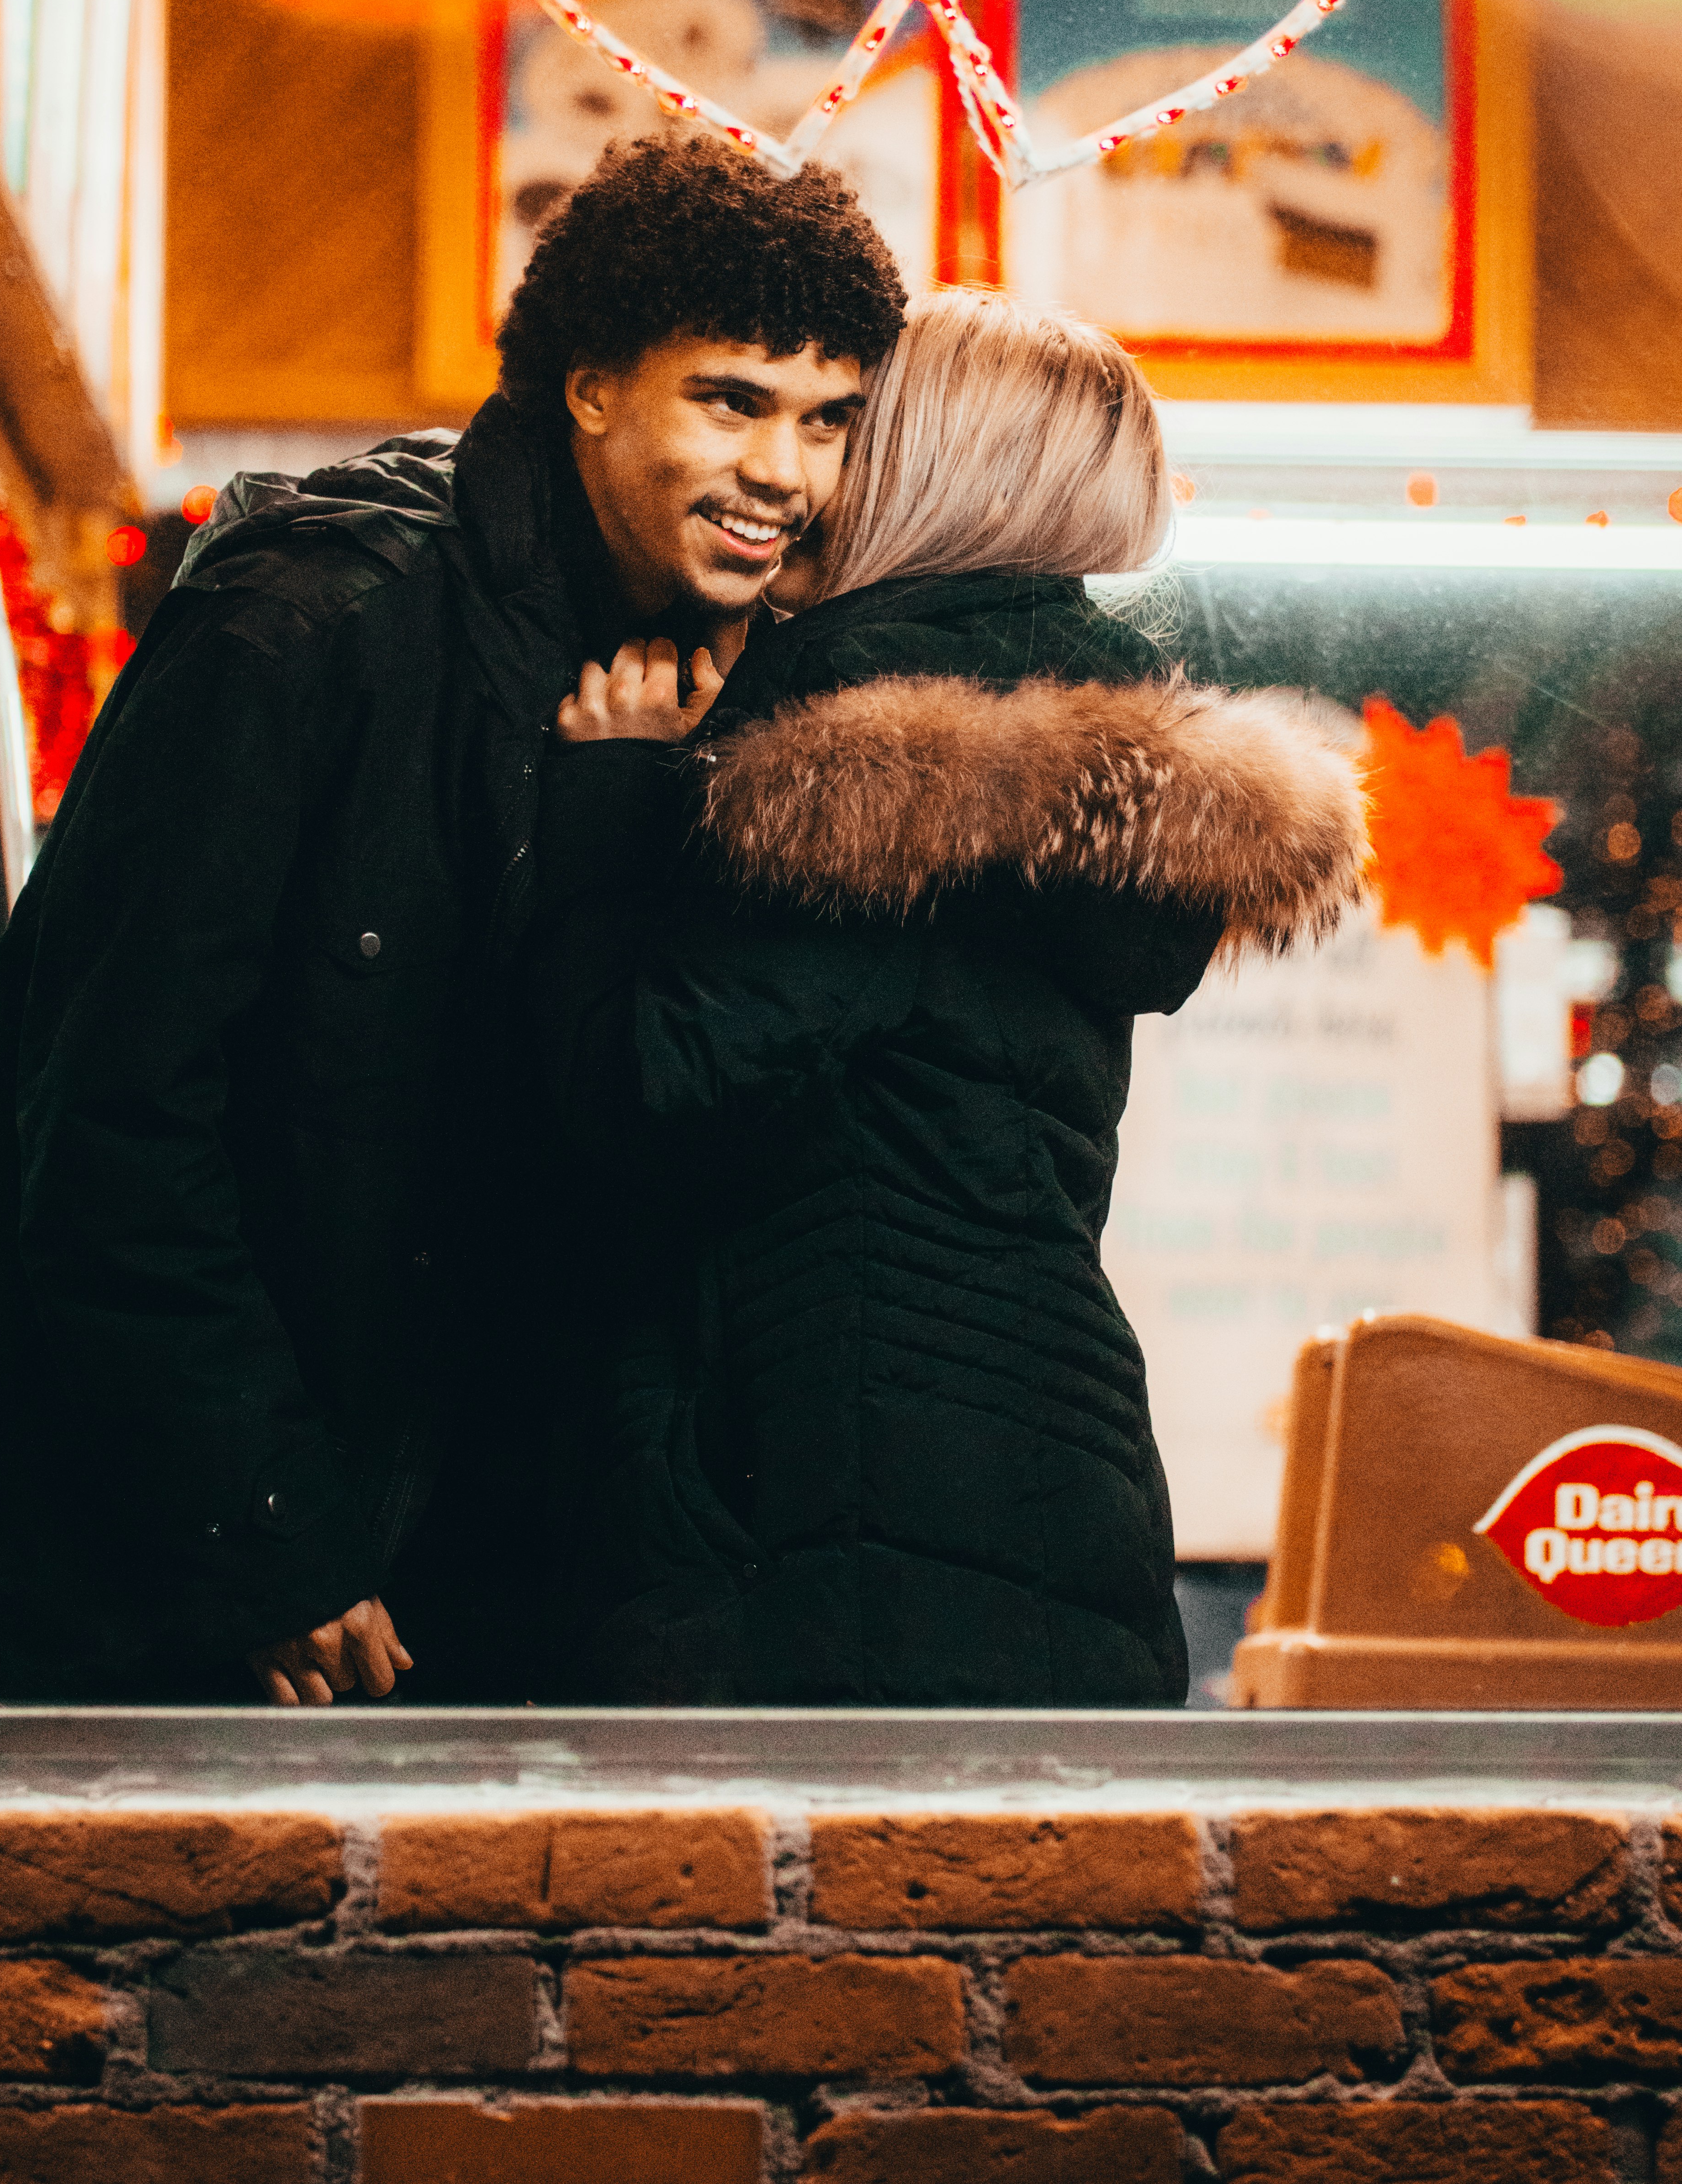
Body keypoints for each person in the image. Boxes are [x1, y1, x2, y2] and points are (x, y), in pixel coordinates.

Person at [0, 137, 906, 1705]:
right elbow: (110, 1120)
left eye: (828, 420)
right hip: (135, 1567)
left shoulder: (696, 686)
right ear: (590, 387)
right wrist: (275, 1539)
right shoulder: (309, 622)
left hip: (431, 1584)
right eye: (731, 400)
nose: (786, 473)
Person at [527, 294, 1368, 1706]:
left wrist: (609, 795)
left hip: (823, 1506)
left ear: (919, 463)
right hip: (1056, 1472)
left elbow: (625, 1090)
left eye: (848, 426)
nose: (801, 470)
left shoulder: (859, 758)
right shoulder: (1080, 767)